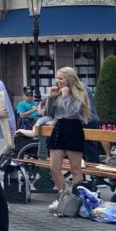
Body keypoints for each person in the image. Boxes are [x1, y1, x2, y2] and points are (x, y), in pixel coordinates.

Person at [41, 67, 90, 196]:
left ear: (69, 79)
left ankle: (76, 198)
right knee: (54, 168)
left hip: (73, 127)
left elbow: (72, 112)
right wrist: (50, 98)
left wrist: (66, 94)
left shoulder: (80, 92)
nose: (58, 81)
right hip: (59, 127)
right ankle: (63, 196)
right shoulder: (57, 92)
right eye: (57, 78)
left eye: (61, 78)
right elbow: (49, 113)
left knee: (75, 169)